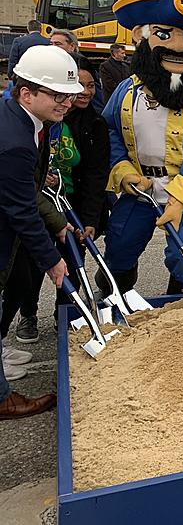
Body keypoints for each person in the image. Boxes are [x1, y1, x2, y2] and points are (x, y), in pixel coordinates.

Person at [100, 0, 183, 297]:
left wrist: (180, 198)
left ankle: (182, 299)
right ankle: (117, 294)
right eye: (165, 35)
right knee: (119, 246)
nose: (179, 47)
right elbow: (110, 130)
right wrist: (123, 170)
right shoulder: (127, 90)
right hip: (140, 186)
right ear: (144, 39)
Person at [0, 46, 78, 418]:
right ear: (26, 93)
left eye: (69, 95)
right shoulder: (14, 140)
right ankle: (2, 398)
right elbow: (19, 208)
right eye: (57, 95)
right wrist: (52, 260)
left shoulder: (29, 122)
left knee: (12, 290)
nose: (65, 102)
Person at [13, 55, 109, 344]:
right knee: (29, 269)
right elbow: (23, 187)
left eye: (90, 85)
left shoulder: (94, 123)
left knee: (71, 263)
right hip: (37, 208)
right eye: (76, 87)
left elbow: (96, 175)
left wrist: (89, 220)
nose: (83, 93)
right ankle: (26, 316)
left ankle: (65, 315)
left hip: (72, 206)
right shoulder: (36, 124)